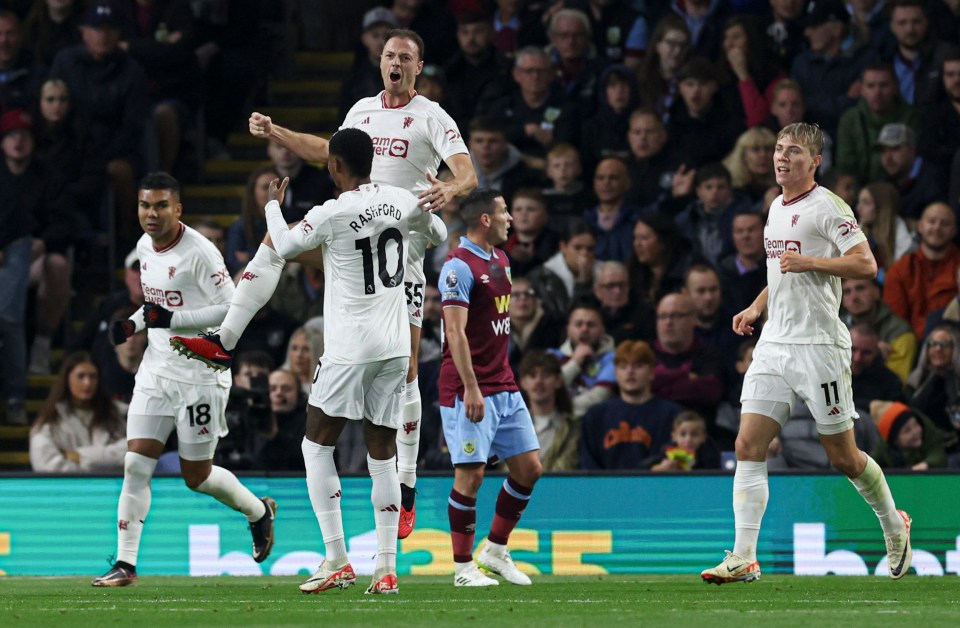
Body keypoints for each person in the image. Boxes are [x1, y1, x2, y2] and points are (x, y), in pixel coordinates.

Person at [189, 28, 476, 538]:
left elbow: (466, 174)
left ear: (418, 66)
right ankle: (224, 339)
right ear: (380, 61)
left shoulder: (432, 116)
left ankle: (406, 484)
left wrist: (448, 189)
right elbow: (332, 151)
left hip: (402, 241)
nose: (396, 62)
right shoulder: (362, 110)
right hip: (355, 224)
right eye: (389, 55)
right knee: (277, 245)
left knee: (408, 368)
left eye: (405, 57)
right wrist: (277, 132)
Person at [194, 128, 442, 594]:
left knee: (316, 446)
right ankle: (386, 570)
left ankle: (337, 557)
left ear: (334, 166)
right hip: (393, 348)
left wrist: (272, 204)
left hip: (350, 348)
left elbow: (286, 247)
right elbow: (439, 231)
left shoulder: (332, 210)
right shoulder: (399, 197)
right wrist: (427, 209)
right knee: (382, 456)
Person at [701, 122, 912, 585]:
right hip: (776, 343)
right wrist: (756, 306)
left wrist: (812, 261)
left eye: (793, 151)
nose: (781, 157)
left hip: (820, 347)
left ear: (813, 162)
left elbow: (866, 263)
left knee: (844, 457)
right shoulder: (776, 206)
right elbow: (782, 274)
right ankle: (743, 557)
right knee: (747, 445)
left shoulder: (829, 207)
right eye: (779, 149)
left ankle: (894, 525)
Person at [93, 172, 275, 587]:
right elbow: (156, 307)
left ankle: (258, 512)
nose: (150, 214)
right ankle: (125, 564)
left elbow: (231, 307)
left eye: (159, 206)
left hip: (200, 376)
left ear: (178, 208)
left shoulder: (201, 254)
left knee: (198, 476)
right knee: (136, 463)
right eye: (144, 205)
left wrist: (169, 320)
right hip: (157, 370)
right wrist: (134, 325)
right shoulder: (143, 246)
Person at [438, 188, 542, 587]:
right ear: (485, 219)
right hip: (469, 387)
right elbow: (454, 331)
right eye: (503, 212)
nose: (509, 219)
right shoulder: (458, 267)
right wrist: (471, 387)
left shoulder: (501, 259)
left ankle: (495, 550)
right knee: (471, 476)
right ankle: (463, 568)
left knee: (529, 468)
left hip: (504, 382)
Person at [579, 339, 680, 470]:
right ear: (616, 374)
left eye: (637, 366)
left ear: (651, 373)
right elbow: (588, 465)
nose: (630, 371)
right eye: (623, 366)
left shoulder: (672, 415)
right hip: (605, 489)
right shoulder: (595, 415)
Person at [29, 351, 127, 473]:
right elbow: (46, 465)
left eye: (93, 376)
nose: (87, 383)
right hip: (67, 490)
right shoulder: (49, 422)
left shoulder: (118, 414)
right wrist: (95, 469)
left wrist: (80, 456)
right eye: (81, 376)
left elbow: (134, 452)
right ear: (67, 379)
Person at [883, 202, 960, 339]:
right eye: (932, 221)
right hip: (912, 344)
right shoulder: (900, 269)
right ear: (920, 226)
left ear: (954, 230)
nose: (937, 228)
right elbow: (894, 320)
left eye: (945, 223)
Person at [549, 301, 617, 418]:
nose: (584, 329)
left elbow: (599, 397)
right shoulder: (552, 356)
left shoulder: (613, 358)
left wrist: (557, 409)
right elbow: (547, 388)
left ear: (602, 330)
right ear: (568, 330)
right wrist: (575, 362)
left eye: (591, 325)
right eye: (578, 324)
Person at [518, 350, 579, 471]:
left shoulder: (574, 427)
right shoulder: (511, 428)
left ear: (558, 381)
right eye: (532, 375)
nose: (538, 381)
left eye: (545, 375)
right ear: (523, 383)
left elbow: (568, 467)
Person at [870, 400, 947, 470]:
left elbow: (938, 453)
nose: (915, 431)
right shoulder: (884, 448)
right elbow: (870, 465)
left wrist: (927, 464)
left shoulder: (927, 433)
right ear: (895, 440)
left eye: (916, 424)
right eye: (907, 430)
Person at [649, 410, 721, 471]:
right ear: (674, 436)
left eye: (694, 434)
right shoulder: (667, 451)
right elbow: (643, 467)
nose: (688, 439)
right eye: (683, 434)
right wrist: (660, 468)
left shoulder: (709, 453)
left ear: (703, 437)